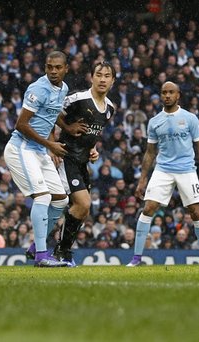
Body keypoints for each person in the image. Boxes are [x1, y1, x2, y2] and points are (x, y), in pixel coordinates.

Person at [130, 81, 199, 267]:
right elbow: (150, 152)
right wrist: (142, 180)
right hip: (163, 170)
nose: (167, 95)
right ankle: (136, 258)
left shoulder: (190, 118)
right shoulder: (154, 121)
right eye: (164, 93)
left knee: (195, 211)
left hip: (187, 170)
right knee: (148, 207)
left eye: (171, 92)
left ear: (178, 95)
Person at [3, 51, 70, 267]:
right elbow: (21, 125)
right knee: (42, 198)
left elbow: (52, 113)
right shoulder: (38, 89)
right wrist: (50, 145)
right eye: (49, 66)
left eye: (57, 67)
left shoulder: (63, 89)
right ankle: (42, 256)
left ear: (65, 69)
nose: (53, 71)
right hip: (21, 148)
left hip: (39, 150)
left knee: (61, 200)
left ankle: (35, 247)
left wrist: (67, 127)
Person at [53, 61, 117, 265]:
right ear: (92, 77)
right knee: (82, 203)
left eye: (107, 76)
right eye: (99, 74)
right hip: (66, 156)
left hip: (82, 161)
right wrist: (53, 143)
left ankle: (58, 251)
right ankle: (60, 251)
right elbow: (52, 114)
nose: (102, 79)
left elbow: (93, 132)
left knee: (83, 209)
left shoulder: (110, 108)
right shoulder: (77, 99)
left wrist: (93, 148)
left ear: (112, 81)